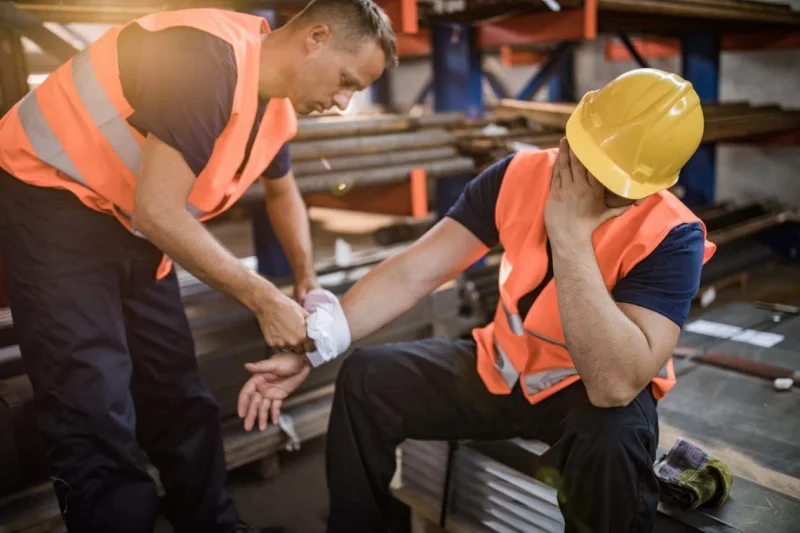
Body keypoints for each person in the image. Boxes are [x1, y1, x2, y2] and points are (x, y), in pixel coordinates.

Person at [238, 68, 718, 533]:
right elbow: (413, 271)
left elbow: (614, 383)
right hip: (500, 371)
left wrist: (570, 235)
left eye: (614, 186)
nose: (591, 186)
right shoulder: (516, 176)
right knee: (365, 380)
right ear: (572, 136)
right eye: (586, 163)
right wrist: (316, 343)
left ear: (653, 188)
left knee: (614, 437)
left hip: (584, 398)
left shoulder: (671, 236)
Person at [0, 2, 396, 532]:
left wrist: (304, 280)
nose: (343, 102)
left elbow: (283, 194)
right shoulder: (207, 57)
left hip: (129, 218)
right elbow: (159, 211)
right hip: (51, 198)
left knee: (176, 391)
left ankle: (213, 524)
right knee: (92, 402)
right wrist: (263, 299)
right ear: (316, 37)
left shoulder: (274, 105)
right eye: (347, 81)